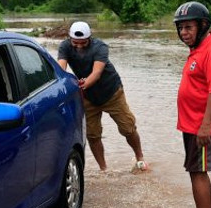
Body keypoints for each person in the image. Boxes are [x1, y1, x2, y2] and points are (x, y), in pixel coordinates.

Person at [56, 21, 149, 172]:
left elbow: (96, 73)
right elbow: (61, 68)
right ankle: (103, 169)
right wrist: (64, 83)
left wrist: (83, 84)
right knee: (92, 135)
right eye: (75, 43)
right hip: (88, 97)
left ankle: (140, 157)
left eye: (83, 43)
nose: (79, 46)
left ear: (90, 38)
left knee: (128, 128)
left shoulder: (100, 47)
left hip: (111, 92)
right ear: (69, 39)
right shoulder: (65, 46)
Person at [173, 1, 211, 208]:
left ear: (203, 25)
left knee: (198, 172)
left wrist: (205, 126)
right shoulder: (199, 49)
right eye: (181, 28)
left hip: (201, 126)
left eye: (189, 27)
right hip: (192, 124)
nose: (184, 33)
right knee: (195, 170)